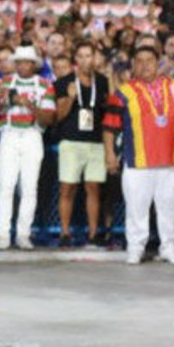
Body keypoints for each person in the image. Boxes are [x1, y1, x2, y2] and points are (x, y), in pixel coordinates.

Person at [103, 46, 174, 265]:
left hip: (169, 162)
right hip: (137, 162)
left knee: (169, 208)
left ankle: (169, 248)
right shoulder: (124, 92)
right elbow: (109, 127)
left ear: (158, 63)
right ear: (133, 65)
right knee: (137, 209)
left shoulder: (173, 88)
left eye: (150, 60)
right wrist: (109, 154)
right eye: (140, 60)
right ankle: (135, 249)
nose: (145, 65)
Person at [0, 46, 56, 250]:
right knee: (6, 186)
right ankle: (2, 234)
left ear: (34, 64)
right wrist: (6, 99)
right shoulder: (3, 82)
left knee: (29, 187)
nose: (22, 66)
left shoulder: (44, 85)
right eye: (19, 62)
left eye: (27, 62)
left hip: (32, 135)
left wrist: (28, 105)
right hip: (8, 134)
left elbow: (49, 118)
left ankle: (23, 234)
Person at [54, 41, 109, 247]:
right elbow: (59, 115)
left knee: (93, 188)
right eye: (82, 56)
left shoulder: (102, 81)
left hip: (95, 141)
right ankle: (65, 233)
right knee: (68, 187)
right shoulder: (64, 82)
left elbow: (105, 111)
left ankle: (93, 234)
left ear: (95, 58)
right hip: (71, 141)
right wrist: (70, 98)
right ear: (75, 60)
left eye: (89, 55)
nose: (86, 60)